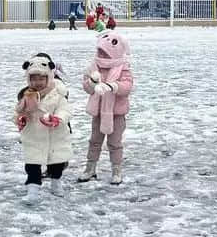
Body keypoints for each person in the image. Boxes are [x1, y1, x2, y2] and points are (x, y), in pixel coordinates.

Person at [14, 56, 72, 203]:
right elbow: (17, 112)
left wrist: (57, 119)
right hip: (34, 136)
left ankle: (56, 182)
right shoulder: (26, 96)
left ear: (49, 77)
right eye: (33, 79)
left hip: (55, 135)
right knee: (32, 164)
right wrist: (20, 119)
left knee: (56, 163)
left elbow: (65, 110)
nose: (37, 83)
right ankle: (33, 189)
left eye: (41, 79)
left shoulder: (57, 94)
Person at [81, 30, 134, 185]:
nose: (102, 55)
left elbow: (128, 85)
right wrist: (92, 84)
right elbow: (86, 85)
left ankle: (116, 170)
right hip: (98, 112)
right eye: (100, 52)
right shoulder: (94, 66)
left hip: (116, 113)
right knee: (95, 140)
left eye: (105, 53)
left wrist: (113, 86)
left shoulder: (122, 67)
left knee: (114, 142)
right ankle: (90, 168)